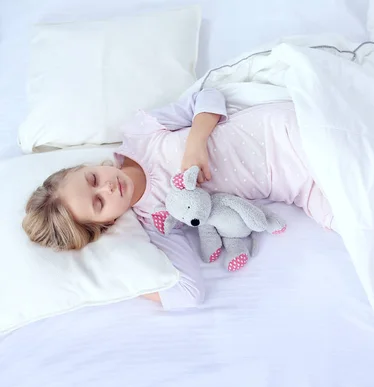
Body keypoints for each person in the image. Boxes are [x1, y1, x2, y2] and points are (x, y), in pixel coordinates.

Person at [22, 88, 334, 309]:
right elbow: (188, 294)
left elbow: (208, 97)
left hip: (282, 132)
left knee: (354, 155)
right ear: (106, 224)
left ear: (84, 166)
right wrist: (111, 280)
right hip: (296, 187)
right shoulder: (157, 222)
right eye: (99, 203)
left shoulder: (142, 134)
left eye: (93, 179)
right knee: (357, 219)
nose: (107, 188)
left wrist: (196, 142)